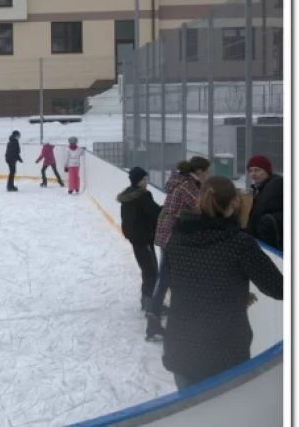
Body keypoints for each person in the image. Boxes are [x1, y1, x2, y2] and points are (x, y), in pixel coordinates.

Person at [162, 176, 282, 390]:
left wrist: (233, 293)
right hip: (223, 353)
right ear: (236, 202)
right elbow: (279, 287)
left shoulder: (176, 239)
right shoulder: (239, 244)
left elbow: (185, 282)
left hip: (181, 347)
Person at [145, 156, 211, 340]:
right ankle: (154, 321)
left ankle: (154, 319)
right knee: (165, 278)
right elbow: (202, 208)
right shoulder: (187, 186)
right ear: (199, 172)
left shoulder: (179, 181)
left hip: (166, 234)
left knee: (165, 278)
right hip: (172, 237)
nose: (209, 174)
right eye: (207, 171)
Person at [117, 167, 161, 312]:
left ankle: (146, 302)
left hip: (136, 239)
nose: (146, 181)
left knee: (147, 270)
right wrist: (169, 208)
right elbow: (155, 212)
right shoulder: (143, 196)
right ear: (138, 181)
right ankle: (150, 305)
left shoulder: (129, 196)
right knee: (151, 272)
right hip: (144, 238)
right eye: (144, 179)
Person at [244, 155, 283, 249]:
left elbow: (259, 213)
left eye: (257, 170)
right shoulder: (257, 190)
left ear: (267, 171)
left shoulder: (275, 187)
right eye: (251, 171)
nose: (253, 174)